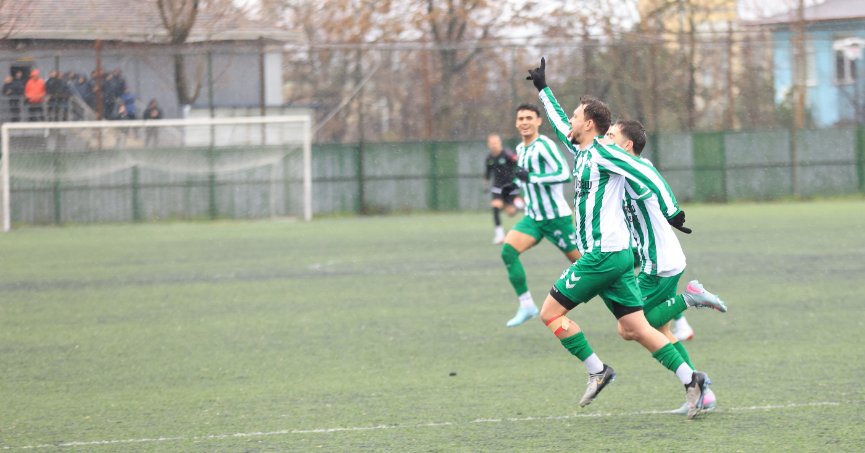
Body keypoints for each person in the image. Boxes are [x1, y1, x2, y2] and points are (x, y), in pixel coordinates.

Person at [527, 57, 709, 419]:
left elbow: (645, 170)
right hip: (618, 256)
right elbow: (562, 123)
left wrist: (672, 210)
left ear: (590, 124)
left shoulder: (604, 152)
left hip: (602, 256)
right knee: (636, 328)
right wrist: (544, 90)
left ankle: (598, 370)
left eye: (578, 116)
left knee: (550, 313)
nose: (573, 121)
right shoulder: (581, 150)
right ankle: (693, 380)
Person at [605, 119, 727, 414]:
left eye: (610, 135)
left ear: (627, 145)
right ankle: (702, 393)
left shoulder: (636, 169)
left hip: (659, 263)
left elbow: (656, 181)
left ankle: (690, 298)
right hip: (661, 258)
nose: (603, 139)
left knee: (628, 327)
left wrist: (673, 211)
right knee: (660, 331)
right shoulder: (621, 171)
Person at [499, 103, 581, 328]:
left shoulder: (544, 145)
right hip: (534, 218)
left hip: (556, 219)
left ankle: (635, 309)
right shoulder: (521, 149)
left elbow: (564, 174)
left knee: (588, 269)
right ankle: (526, 305)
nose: (524, 122)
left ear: (538, 121)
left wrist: (531, 178)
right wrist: (513, 187)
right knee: (508, 251)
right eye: (521, 118)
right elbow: (525, 177)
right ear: (516, 123)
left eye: (529, 118)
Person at [484, 133, 524, 244]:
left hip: (510, 187)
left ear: (500, 143)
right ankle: (500, 235)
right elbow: (487, 173)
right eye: (492, 143)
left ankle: (518, 204)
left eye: (496, 143)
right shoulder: (489, 158)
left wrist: (520, 177)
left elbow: (518, 163)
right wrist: (486, 185)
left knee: (510, 213)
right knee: (495, 207)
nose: (494, 145)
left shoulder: (507, 154)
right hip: (497, 187)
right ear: (488, 145)